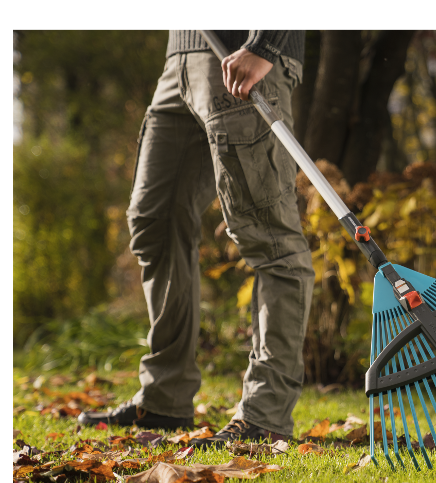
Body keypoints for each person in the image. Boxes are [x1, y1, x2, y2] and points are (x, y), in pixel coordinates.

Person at [78, 29, 314, 449]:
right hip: (181, 58)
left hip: (242, 54)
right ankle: (165, 395)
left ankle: (265, 413)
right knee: (156, 221)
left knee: (267, 235)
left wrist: (265, 45)